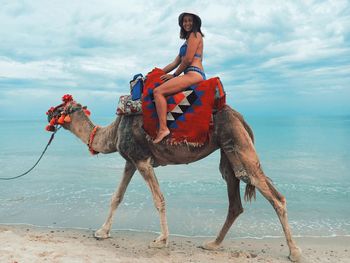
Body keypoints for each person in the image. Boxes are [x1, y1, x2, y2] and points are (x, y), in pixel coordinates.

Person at [153, 12, 206, 143]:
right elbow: (175, 62)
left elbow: (188, 60)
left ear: (195, 22)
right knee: (158, 86)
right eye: (184, 21)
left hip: (194, 73)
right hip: (189, 73)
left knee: (158, 92)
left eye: (190, 20)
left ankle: (163, 129)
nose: (187, 23)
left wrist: (174, 75)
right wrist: (156, 73)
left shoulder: (195, 35)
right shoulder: (187, 41)